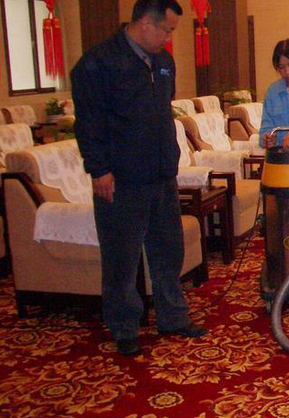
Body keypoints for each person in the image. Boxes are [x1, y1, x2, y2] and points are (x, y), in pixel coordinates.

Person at [71, 0, 207, 357]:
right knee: (122, 259)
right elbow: (88, 123)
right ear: (145, 22)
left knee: (168, 250)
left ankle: (172, 317)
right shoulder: (99, 63)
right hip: (121, 179)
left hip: (161, 174)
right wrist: (99, 169)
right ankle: (124, 326)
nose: (169, 38)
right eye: (167, 30)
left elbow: (162, 112)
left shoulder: (163, 62)